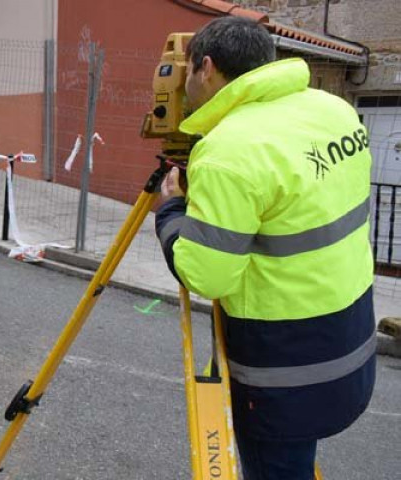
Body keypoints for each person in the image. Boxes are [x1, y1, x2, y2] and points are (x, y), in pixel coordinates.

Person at [155, 16, 375, 480]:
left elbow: (208, 275)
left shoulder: (228, 151)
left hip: (284, 364)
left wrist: (173, 212)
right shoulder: (332, 109)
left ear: (206, 68)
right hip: (348, 337)